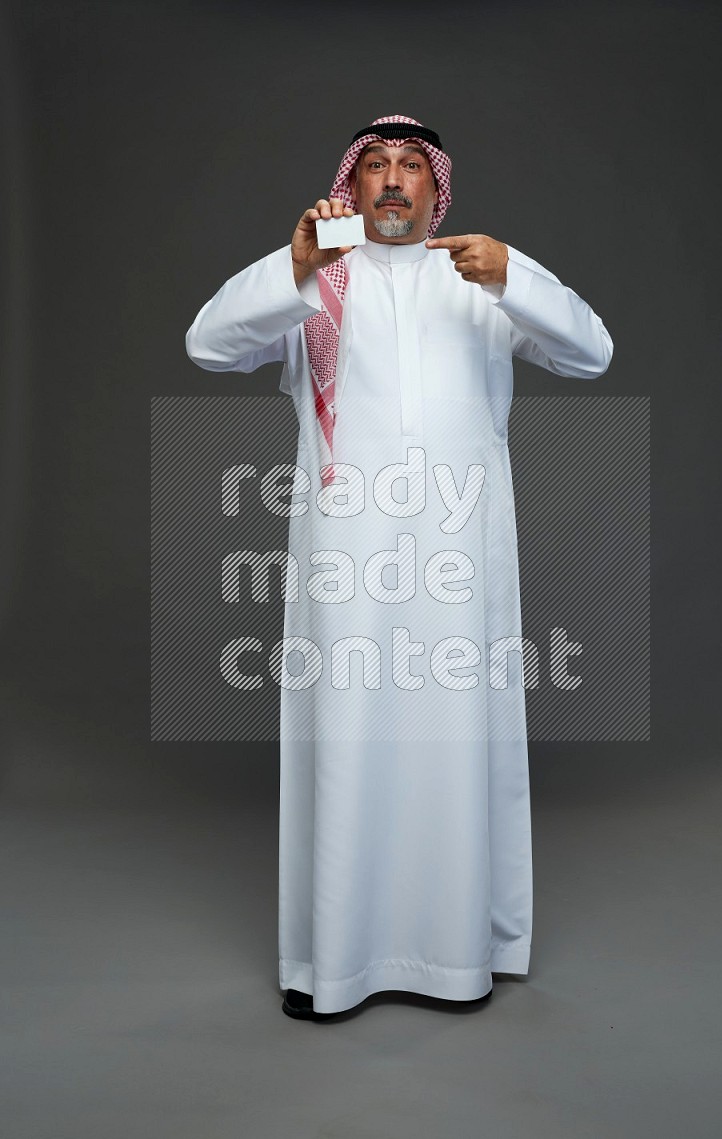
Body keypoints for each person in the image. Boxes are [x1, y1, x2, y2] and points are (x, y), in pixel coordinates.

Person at [185, 114, 613, 1020]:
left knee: (459, 741)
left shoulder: (479, 281)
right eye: (374, 165)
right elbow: (208, 344)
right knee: (348, 739)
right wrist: (294, 266)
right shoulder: (318, 288)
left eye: (410, 166)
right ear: (352, 183)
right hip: (348, 563)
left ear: (436, 187)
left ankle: (459, 956)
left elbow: (591, 352)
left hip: (462, 559)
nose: (390, 181)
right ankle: (334, 962)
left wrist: (517, 276)